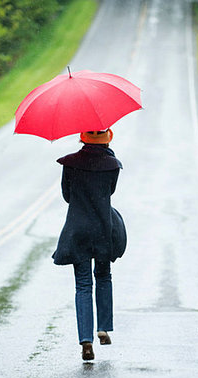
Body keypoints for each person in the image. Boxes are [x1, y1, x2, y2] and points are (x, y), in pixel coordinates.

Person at [52, 128, 127, 361]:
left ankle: (86, 340)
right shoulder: (112, 165)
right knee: (103, 276)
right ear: (108, 137)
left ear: (82, 137)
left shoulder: (70, 163)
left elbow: (67, 195)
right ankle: (103, 327)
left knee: (83, 284)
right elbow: (109, 191)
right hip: (104, 228)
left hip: (78, 229)